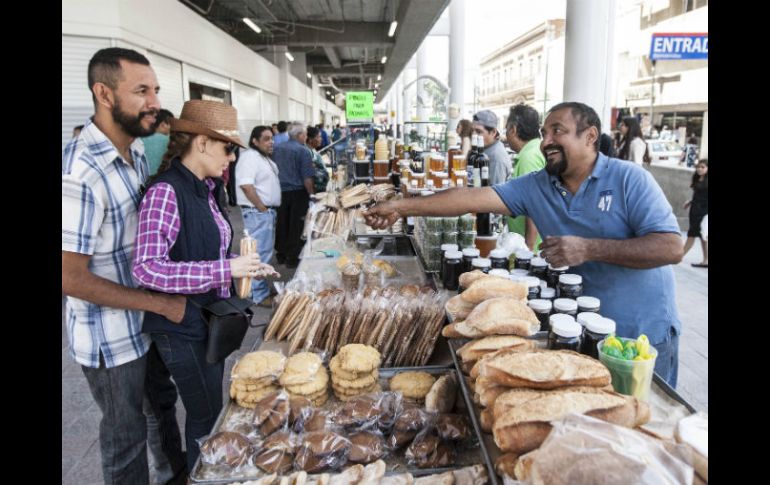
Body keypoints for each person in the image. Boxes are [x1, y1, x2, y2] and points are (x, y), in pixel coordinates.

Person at [363, 101, 683, 387]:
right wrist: (399, 207)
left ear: (590, 136)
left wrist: (588, 248)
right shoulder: (538, 185)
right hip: (575, 331)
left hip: (641, 336)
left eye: (558, 131)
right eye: (544, 132)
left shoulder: (629, 179)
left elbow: (670, 247)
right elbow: (470, 198)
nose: (546, 142)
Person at [62, 47, 187, 485]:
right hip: (110, 338)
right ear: (104, 93)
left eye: (155, 90)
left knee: (161, 408)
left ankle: (174, 476)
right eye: (141, 90)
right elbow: (69, 277)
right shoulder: (79, 173)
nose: (154, 101)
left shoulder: (132, 153)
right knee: (124, 436)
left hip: (145, 324)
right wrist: (158, 302)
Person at [132, 99, 277, 472]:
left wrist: (247, 268)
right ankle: (205, 475)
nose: (231, 158)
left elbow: (209, 250)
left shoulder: (206, 187)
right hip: (180, 326)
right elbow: (147, 269)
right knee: (206, 416)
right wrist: (224, 269)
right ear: (201, 142)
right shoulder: (166, 191)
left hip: (206, 319)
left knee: (213, 408)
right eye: (227, 148)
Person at [236, 125, 281, 307]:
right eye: (266, 139)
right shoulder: (249, 157)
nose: (271, 142)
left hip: (264, 213)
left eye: (272, 138)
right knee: (258, 254)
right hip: (257, 213)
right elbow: (246, 186)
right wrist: (262, 208)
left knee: (263, 253)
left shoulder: (262, 157)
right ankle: (258, 295)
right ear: (254, 141)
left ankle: (259, 289)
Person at [273, 122, 315, 268]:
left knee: (282, 223)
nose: (306, 137)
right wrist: (312, 195)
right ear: (299, 135)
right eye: (305, 134)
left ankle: (281, 254)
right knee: (296, 226)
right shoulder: (303, 151)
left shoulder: (277, 148)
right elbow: (307, 178)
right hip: (298, 192)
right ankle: (293, 258)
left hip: (280, 192)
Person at [504, 104, 545, 250]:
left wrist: (527, 249)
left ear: (513, 129)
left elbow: (534, 206)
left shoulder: (530, 157)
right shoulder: (534, 150)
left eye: (506, 129)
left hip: (529, 250)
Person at [472, 110, 512, 185]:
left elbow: (494, 193)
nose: (473, 135)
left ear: (493, 132)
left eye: (478, 131)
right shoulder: (485, 149)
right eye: (472, 131)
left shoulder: (496, 158)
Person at [682, 159, 708, 268]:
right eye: (698, 167)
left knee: (698, 234)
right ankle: (706, 260)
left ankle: (679, 255)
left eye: (702, 167)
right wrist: (690, 202)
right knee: (697, 235)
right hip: (695, 210)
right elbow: (698, 195)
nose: (699, 169)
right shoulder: (698, 179)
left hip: (704, 211)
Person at [142, 108, 174, 176]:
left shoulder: (140, 139)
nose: (172, 128)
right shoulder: (168, 140)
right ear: (162, 124)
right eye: (171, 124)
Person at [307, 125, 330, 193]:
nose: (321, 139)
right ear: (310, 139)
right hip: (315, 191)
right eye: (318, 137)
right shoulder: (307, 152)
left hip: (319, 189)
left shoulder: (312, 150)